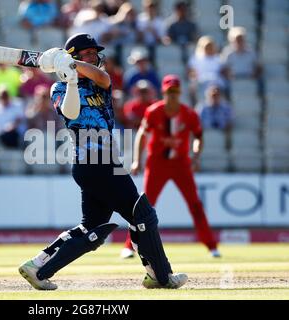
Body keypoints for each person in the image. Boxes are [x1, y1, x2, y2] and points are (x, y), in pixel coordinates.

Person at [18, 33, 188, 290]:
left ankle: (38, 266)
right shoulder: (59, 88)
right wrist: (71, 78)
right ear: (73, 56)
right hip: (93, 162)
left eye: (93, 54)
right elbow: (71, 112)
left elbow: (103, 77)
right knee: (141, 214)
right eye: (85, 55)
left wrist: (71, 65)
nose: (93, 58)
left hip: (104, 160)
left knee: (91, 230)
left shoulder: (100, 81)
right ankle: (161, 276)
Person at [120, 74, 221, 259]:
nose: (172, 95)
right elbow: (142, 134)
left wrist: (196, 156)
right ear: (163, 92)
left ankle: (211, 245)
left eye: (175, 91)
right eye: (169, 92)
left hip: (180, 164)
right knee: (144, 206)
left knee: (195, 204)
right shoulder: (153, 112)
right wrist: (137, 160)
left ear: (179, 92)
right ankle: (129, 245)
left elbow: (198, 136)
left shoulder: (189, 114)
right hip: (157, 163)